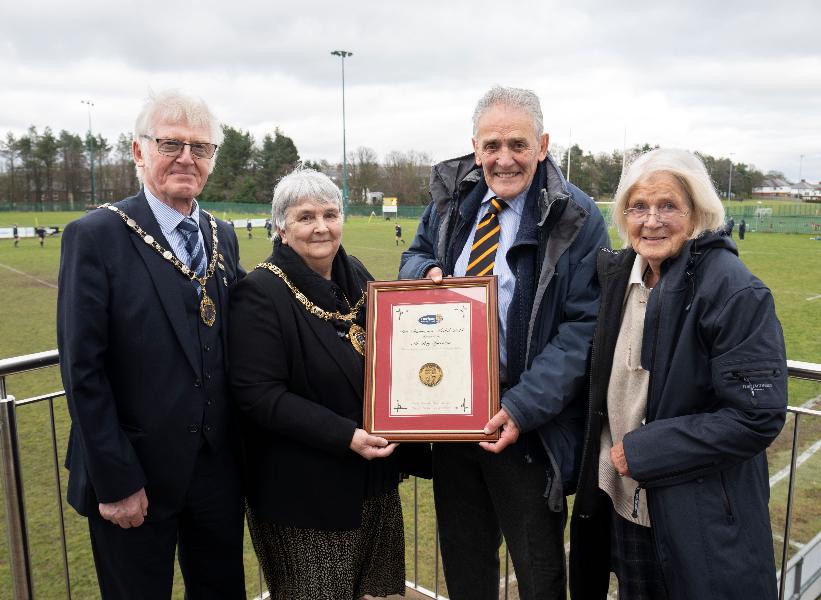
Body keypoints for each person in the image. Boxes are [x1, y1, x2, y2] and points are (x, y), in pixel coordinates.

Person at [399, 86, 609, 600]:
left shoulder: (576, 217)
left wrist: (521, 407)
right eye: (492, 145)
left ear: (543, 145)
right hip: (453, 418)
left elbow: (584, 329)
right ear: (475, 148)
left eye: (517, 144)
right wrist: (423, 271)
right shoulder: (453, 201)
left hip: (527, 429)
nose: (504, 158)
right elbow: (415, 253)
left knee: (539, 576)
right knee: (466, 569)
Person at [569, 149, 787, 600]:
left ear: (697, 213)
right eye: (638, 207)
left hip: (695, 518)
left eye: (668, 206)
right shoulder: (617, 276)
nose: (651, 220)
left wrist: (647, 449)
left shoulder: (734, 290)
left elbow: (756, 416)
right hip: (622, 504)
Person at [57, 90, 246, 599]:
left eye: (200, 148)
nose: (187, 158)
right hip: (134, 476)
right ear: (139, 152)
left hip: (215, 474)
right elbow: (83, 370)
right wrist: (116, 480)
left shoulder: (220, 235)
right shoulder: (96, 236)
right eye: (171, 144)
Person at [229, 167, 430, 600]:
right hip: (305, 496)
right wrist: (345, 436)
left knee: (366, 591)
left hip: (371, 478)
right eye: (305, 217)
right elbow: (259, 396)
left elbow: (397, 341)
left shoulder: (354, 271)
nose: (321, 227)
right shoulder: (260, 292)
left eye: (330, 214)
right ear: (281, 228)